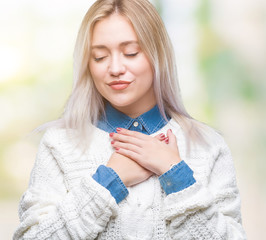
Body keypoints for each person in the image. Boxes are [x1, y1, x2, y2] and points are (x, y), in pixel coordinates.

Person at [14, 0, 247, 239]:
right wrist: (108, 182)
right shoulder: (59, 144)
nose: (115, 68)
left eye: (130, 53)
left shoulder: (208, 146)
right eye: (100, 56)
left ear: (158, 55)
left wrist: (175, 174)